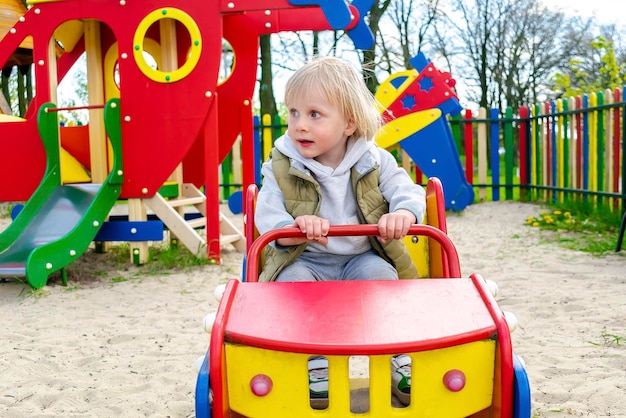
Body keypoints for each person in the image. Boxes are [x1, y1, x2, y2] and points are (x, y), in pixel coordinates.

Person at [254, 56, 425, 408]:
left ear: (348, 123)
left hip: (361, 255)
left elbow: (406, 189)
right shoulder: (280, 166)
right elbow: (267, 213)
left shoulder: (374, 160)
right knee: (293, 289)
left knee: (383, 280)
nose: (300, 125)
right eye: (294, 112)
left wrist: (403, 213)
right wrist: (292, 229)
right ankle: (315, 366)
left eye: (314, 114)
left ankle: (395, 359)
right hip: (306, 258)